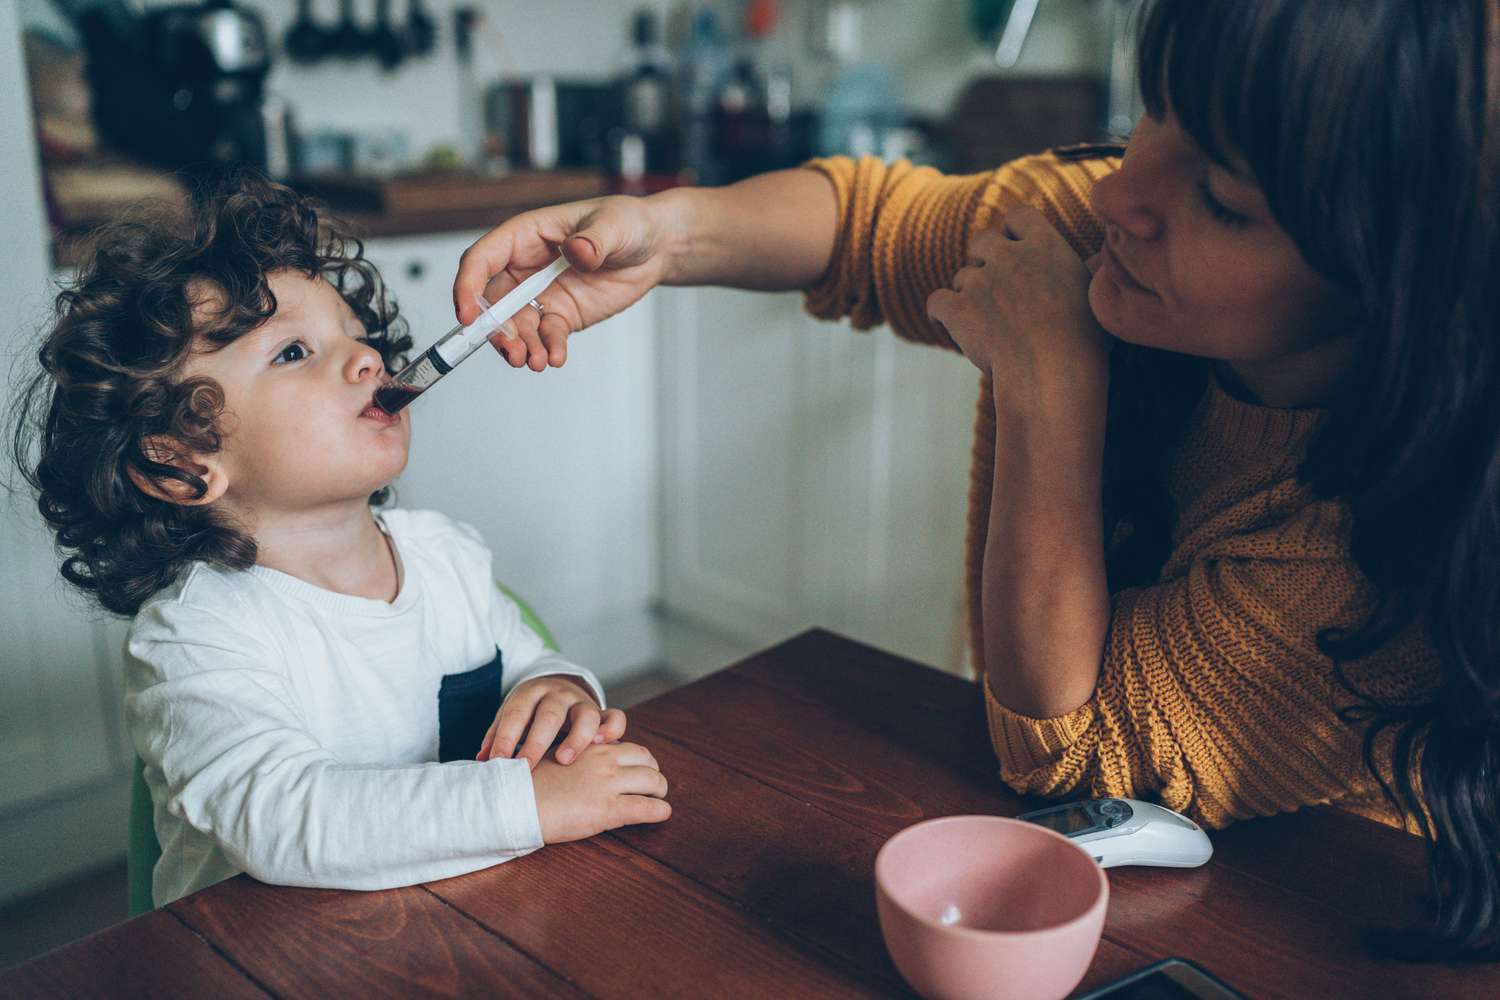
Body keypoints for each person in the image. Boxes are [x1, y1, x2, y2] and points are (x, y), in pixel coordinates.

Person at [449, 0, 1499, 959]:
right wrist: (669, 235)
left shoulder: (1383, 542)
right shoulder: (1104, 231)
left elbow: (1082, 768)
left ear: (1392, 277)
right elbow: (870, 223)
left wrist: (1049, 379)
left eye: (1220, 199)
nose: (1124, 190)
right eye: (1155, 115)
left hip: (1318, 927)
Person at [9, 177, 671, 907]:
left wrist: (560, 689)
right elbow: (284, 819)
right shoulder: (197, 636)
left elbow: (527, 660)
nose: (367, 360)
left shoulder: (444, 556)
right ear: (181, 460)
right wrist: (528, 805)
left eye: (357, 337)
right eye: (294, 352)